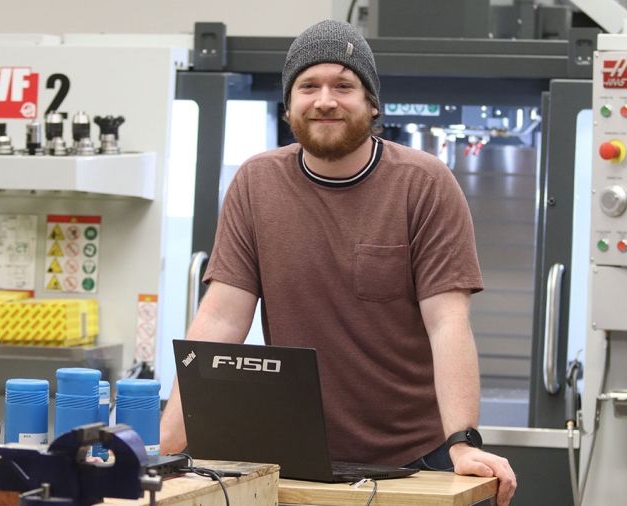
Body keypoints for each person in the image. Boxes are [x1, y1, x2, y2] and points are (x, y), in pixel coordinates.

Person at [160, 19, 516, 505]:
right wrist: (165, 448)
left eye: (343, 85)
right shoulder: (256, 183)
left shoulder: (423, 184)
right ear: (289, 107)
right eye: (308, 86)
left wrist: (463, 441)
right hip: (298, 457)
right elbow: (220, 319)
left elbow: (448, 323)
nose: (325, 100)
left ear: (372, 103)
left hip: (414, 459)